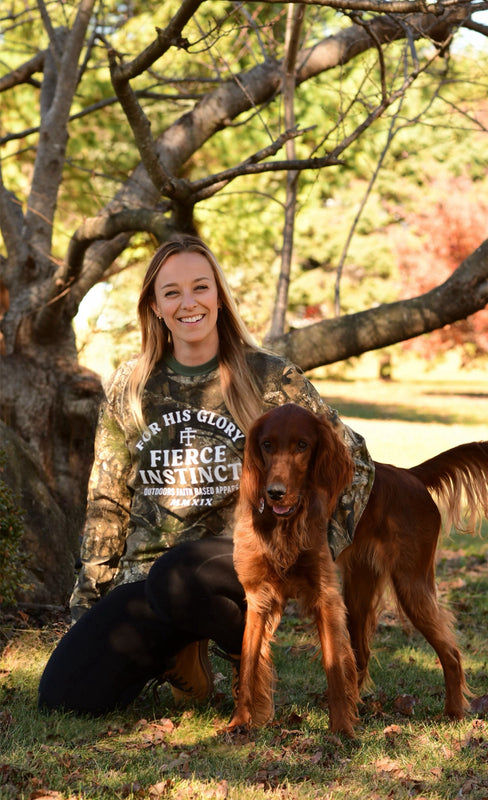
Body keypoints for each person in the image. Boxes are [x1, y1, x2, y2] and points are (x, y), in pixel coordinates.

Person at [39, 234, 374, 714]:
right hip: (147, 580)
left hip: (235, 564)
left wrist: (319, 544)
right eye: (171, 292)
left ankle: (244, 654)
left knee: (180, 572)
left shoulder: (269, 378)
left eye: (201, 287)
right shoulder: (130, 385)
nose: (188, 302)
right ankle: (183, 660)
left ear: (219, 295)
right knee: (63, 697)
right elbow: (106, 503)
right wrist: (88, 609)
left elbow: (354, 462)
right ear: (154, 305)